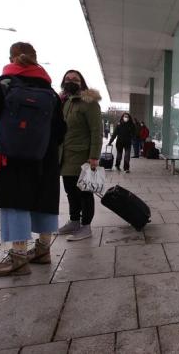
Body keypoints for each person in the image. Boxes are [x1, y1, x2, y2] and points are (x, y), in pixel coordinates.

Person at [0, 42, 66, 276]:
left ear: (12, 58)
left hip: (13, 154)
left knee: (15, 202)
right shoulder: (50, 91)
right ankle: (43, 250)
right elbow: (60, 129)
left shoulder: (6, 82)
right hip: (44, 155)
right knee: (44, 201)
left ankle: (18, 257)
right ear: (36, 60)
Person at [57, 69, 102, 241]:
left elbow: (96, 131)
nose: (71, 81)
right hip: (66, 156)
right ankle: (74, 221)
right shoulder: (64, 102)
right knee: (70, 191)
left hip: (83, 156)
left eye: (75, 79)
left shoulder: (88, 102)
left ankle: (86, 226)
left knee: (85, 193)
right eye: (67, 78)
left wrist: (94, 157)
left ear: (81, 82)